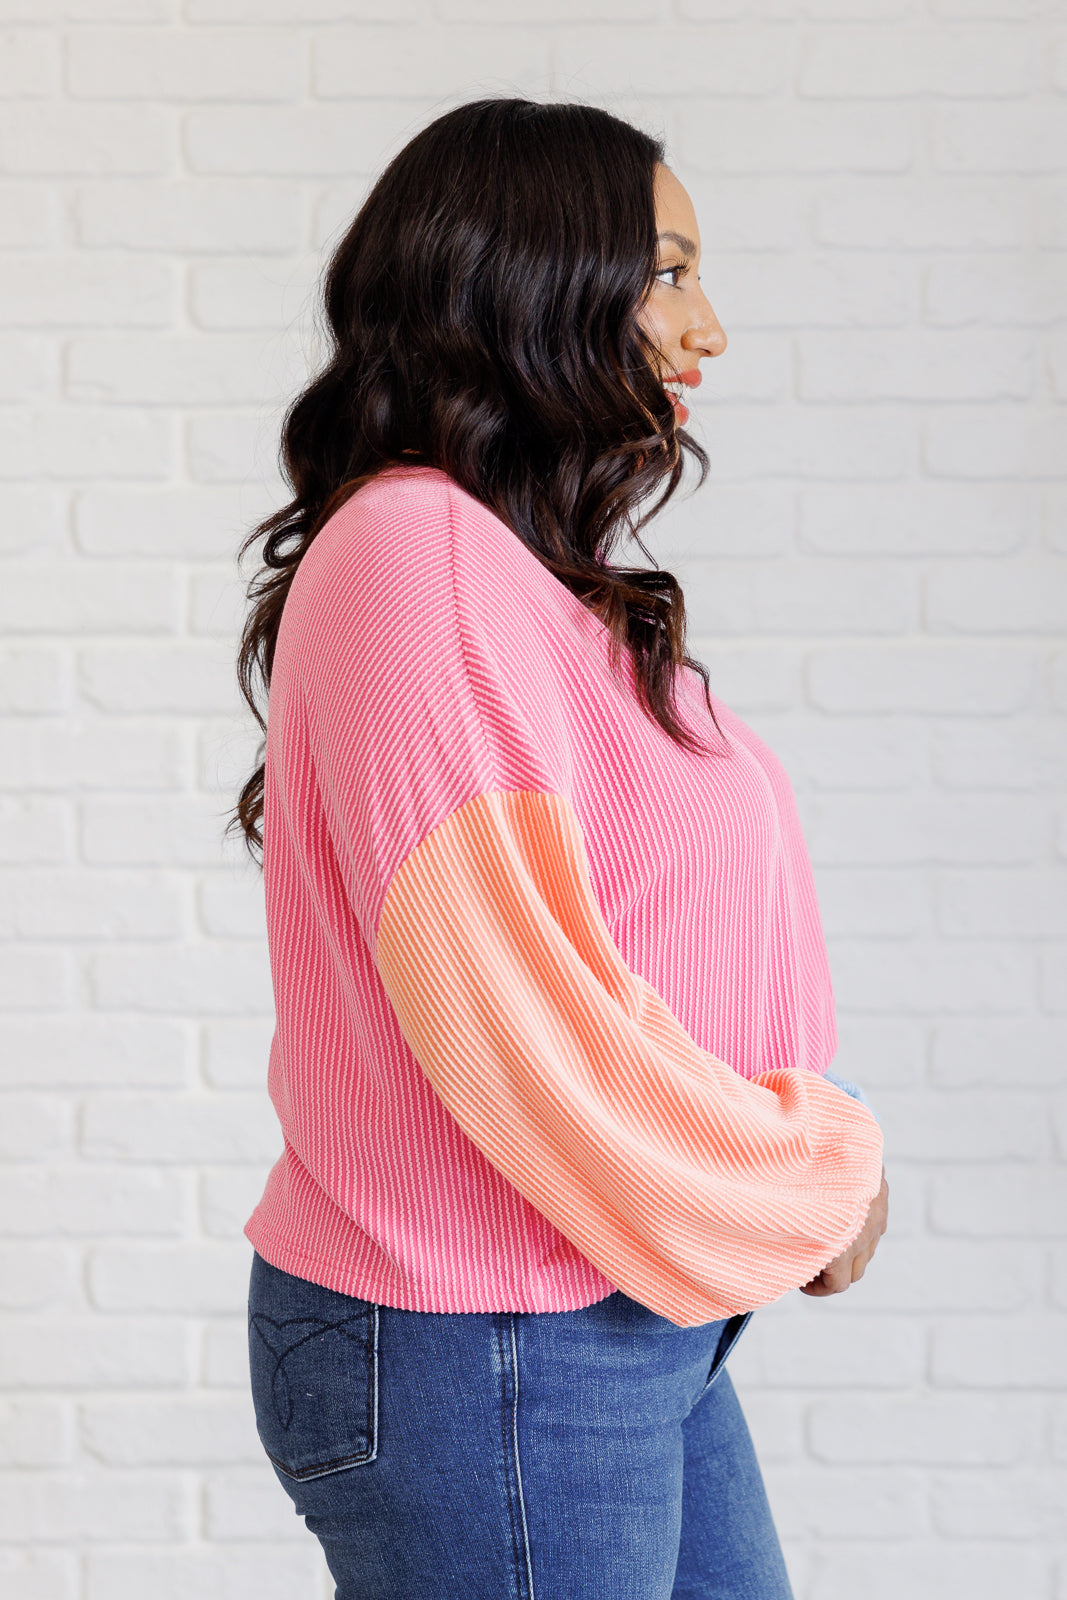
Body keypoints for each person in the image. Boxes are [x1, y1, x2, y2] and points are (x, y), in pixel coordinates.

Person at [228, 97, 889, 1600]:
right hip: (501, 1331)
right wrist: (809, 1178)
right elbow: (523, 1023)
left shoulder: (519, 576)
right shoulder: (421, 558)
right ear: (525, 279)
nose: (703, 326)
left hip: (608, 1293)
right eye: (665, 271)